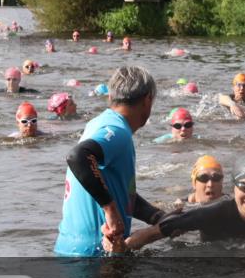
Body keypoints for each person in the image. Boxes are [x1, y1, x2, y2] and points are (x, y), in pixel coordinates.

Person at [54, 66, 168, 257]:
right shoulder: (118, 131)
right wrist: (111, 211)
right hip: (92, 256)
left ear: (110, 98)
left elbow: (119, 191)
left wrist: (156, 216)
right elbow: (78, 157)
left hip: (69, 249)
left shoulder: (99, 123)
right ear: (148, 99)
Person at [116, 154, 245, 251]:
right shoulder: (213, 213)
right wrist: (122, 248)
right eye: (244, 187)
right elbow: (154, 233)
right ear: (233, 188)